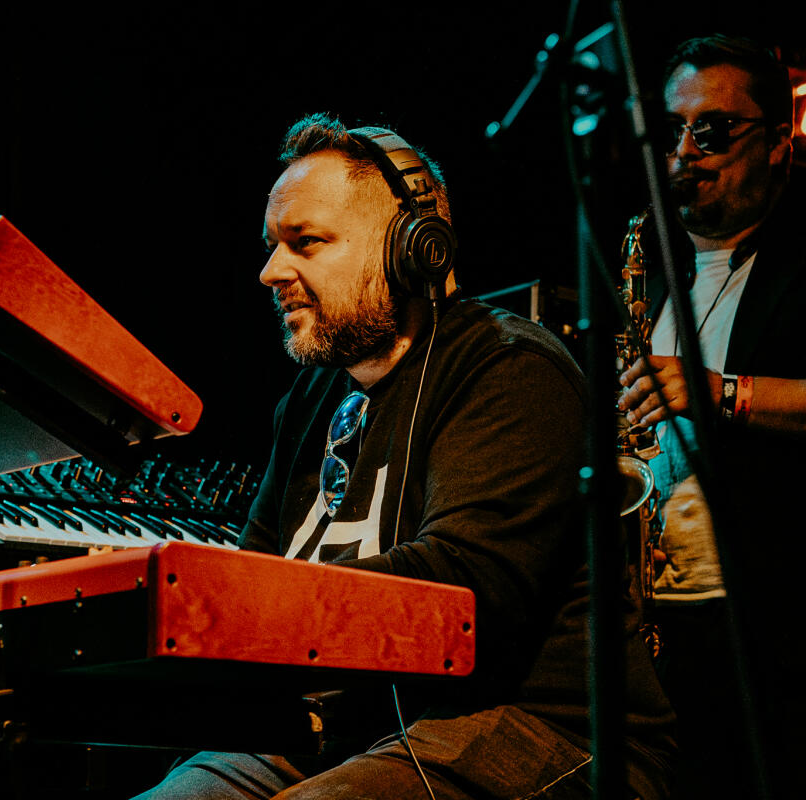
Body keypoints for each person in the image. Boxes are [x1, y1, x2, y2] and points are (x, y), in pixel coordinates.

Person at [134, 113, 676, 800]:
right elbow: (260, 569)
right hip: (338, 729)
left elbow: (463, 590)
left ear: (412, 248)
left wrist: (237, 603)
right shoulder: (310, 398)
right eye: (272, 246)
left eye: (305, 242)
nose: (271, 272)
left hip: (537, 728)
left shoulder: (510, 370)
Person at [617, 34, 806, 799]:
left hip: (772, 626)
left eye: (715, 130)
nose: (685, 153)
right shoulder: (649, 263)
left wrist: (721, 393)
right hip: (659, 620)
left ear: (778, 143)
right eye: (673, 130)